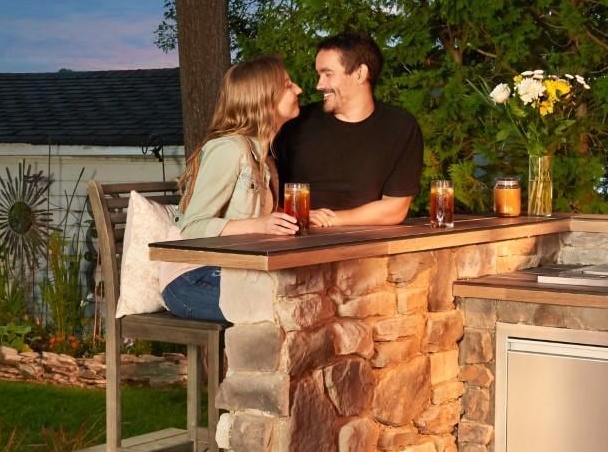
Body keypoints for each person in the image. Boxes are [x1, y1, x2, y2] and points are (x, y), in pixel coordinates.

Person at [162, 55, 303, 322]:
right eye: (288, 85)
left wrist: (290, 222)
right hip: (192, 277)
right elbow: (192, 227)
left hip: (235, 269)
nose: (298, 89)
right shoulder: (228, 149)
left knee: (308, 294)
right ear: (263, 97)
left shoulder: (266, 161)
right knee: (288, 307)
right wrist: (260, 225)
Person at [274, 31, 422, 229]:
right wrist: (298, 219)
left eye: (328, 74)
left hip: (367, 242)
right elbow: (266, 197)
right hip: (295, 237)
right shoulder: (295, 123)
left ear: (360, 73)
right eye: (319, 75)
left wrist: (330, 220)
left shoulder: (400, 127)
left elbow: (395, 208)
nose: (319, 85)